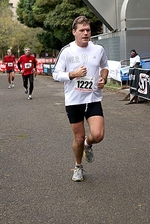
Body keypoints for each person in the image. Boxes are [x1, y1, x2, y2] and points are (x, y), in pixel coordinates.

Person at [53, 16, 109, 182]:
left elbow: (105, 67)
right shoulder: (67, 51)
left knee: (98, 135)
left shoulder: (98, 49)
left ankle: (88, 144)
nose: (86, 33)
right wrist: (73, 74)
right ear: (74, 32)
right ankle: (78, 167)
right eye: (82, 30)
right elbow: (56, 74)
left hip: (92, 98)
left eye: (88, 30)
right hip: (74, 101)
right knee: (78, 137)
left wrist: (103, 79)